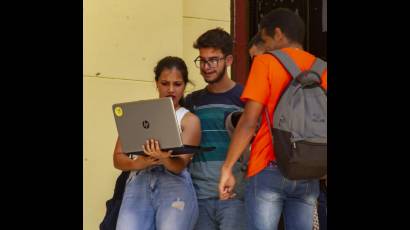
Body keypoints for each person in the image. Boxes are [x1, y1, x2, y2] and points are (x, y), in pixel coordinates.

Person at [218, 8, 327, 230]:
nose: (265, 46)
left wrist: (227, 168)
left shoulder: (266, 63)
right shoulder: (322, 69)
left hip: (268, 165)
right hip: (309, 169)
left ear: (278, 34)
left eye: (265, 40)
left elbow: (249, 122)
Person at [114, 56, 201, 230]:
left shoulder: (189, 120)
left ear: (185, 85)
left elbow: (179, 166)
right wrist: (139, 163)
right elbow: (117, 159)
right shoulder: (137, 113)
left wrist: (163, 158)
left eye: (177, 84)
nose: (171, 89)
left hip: (173, 187)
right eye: (164, 83)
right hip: (138, 182)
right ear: (156, 83)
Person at [184, 28, 247, 230]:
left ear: (228, 60)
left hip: (235, 197)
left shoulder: (246, 97)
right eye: (202, 60)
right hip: (198, 196)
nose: (206, 66)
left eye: (213, 60)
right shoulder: (192, 101)